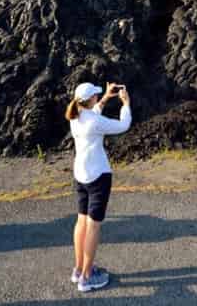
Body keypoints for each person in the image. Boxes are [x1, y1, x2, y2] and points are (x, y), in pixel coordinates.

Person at [66, 81, 131, 292]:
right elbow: (123, 125)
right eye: (96, 94)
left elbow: (92, 113)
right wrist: (125, 104)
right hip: (98, 177)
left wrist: (104, 99)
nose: (97, 96)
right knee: (93, 227)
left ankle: (78, 269)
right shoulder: (94, 121)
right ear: (90, 99)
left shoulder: (75, 115)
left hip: (81, 175)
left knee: (81, 221)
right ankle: (87, 277)